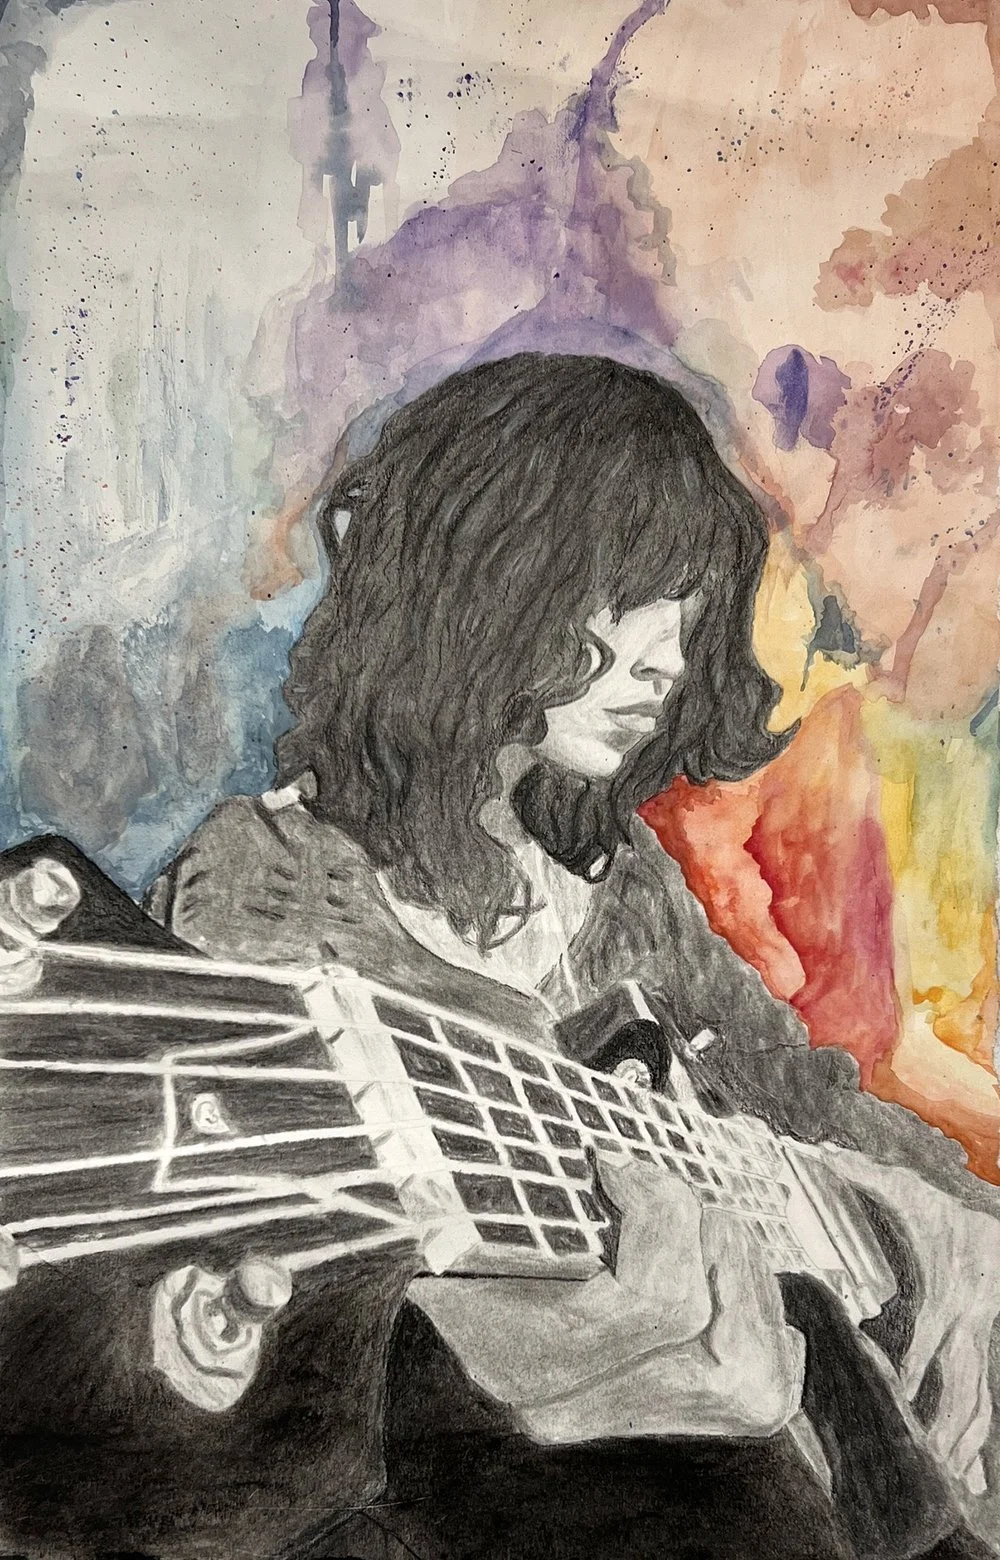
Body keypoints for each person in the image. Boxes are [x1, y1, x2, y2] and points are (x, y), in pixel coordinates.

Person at [2, 353, 997, 1560]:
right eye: (623, 599)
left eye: (687, 614)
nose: (667, 661)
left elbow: (811, 1100)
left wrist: (949, 1233)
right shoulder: (266, 880)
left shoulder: (622, 886)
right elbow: (299, 1326)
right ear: (485, 583)